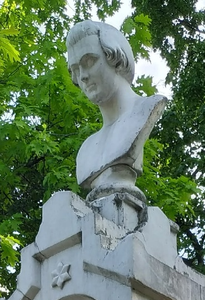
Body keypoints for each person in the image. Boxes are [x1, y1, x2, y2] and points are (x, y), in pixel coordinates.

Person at [66, 21, 167, 195]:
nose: (82, 76)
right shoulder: (86, 151)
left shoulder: (145, 111)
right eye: (75, 69)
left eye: (89, 61)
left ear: (115, 57)